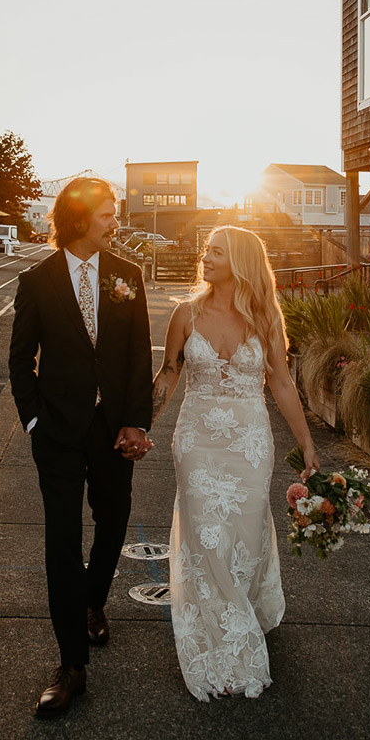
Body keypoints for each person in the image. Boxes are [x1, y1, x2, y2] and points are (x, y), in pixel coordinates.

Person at [152, 226, 319, 701]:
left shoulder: (266, 318)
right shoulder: (186, 314)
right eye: (206, 250)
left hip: (249, 442)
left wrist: (306, 443)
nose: (204, 258)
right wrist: (141, 426)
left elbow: (283, 384)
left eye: (216, 252)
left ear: (240, 261)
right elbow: (168, 374)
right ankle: (224, 634)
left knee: (244, 532)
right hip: (196, 441)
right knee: (206, 532)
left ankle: (242, 606)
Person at [9, 177, 153, 717]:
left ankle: (93, 601)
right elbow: (20, 360)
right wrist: (33, 423)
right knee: (62, 544)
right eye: (108, 214)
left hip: (114, 430)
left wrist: (136, 422)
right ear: (79, 218)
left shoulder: (127, 276)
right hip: (58, 433)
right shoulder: (37, 280)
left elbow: (139, 353)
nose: (116, 221)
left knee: (114, 522)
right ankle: (71, 666)